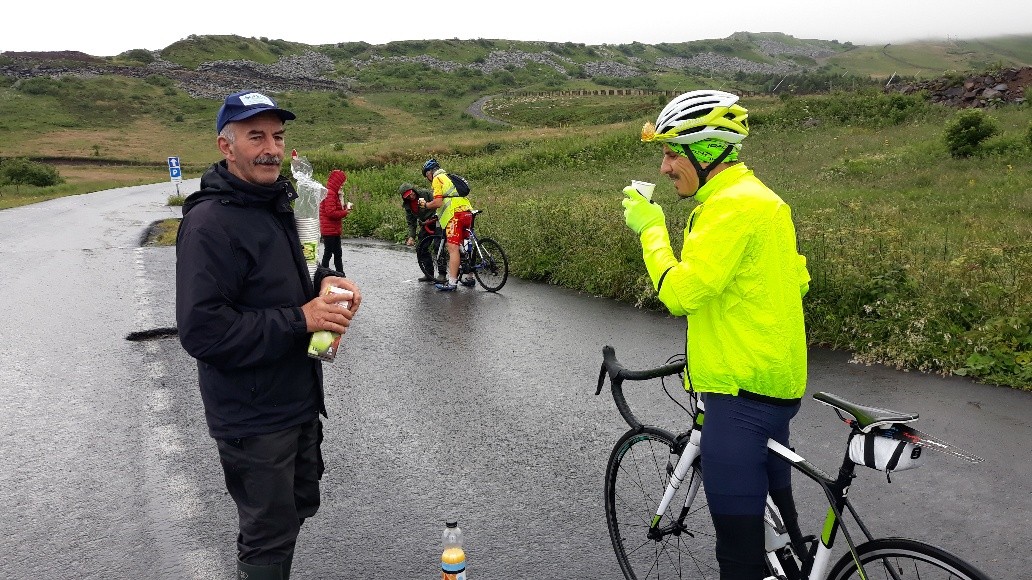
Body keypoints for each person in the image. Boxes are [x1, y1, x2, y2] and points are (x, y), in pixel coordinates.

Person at [621, 89, 811, 580]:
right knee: (786, 539)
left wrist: (651, 229)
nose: (663, 167)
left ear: (706, 152)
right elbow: (794, 282)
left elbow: (681, 294)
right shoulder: (766, 200)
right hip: (776, 383)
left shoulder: (727, 207)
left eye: (670, 152)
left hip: (738, 395)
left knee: (739, 556)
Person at [175, 90, 362, 580]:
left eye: (278, 136)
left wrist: (324, 282)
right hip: (252, 412)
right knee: (267, 533)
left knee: (295, 508)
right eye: (255, 136)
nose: (271, 148)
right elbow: (203, 331)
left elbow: (288, 277)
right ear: (226, 145)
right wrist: (302, 319)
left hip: (294, 395)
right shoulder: (209, 223)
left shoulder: (271, 204)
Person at [418, 158, 476, 291]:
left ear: (429, 173)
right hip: (467, 211)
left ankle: (452, 283)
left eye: (426, 175)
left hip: (454, 216)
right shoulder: (449, 177)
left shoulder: (437, 179)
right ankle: (470, 277)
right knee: (467, 244)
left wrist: (425, 205)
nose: (427, 178)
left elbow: (438, 203)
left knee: (453, 248)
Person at [400, 181, 443, 283]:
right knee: (421, 248)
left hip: (437, 221)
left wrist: (435, 216)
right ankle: (429, 274)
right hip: (425, 225)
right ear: (404, 197)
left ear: (413, 190)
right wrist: (411, 236)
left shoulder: (425, 193)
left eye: (411, 193)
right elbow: (411, 223)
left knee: (438, 246)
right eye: (407, 195)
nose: (411, 196)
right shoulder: (408, 206)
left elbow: (438, 203)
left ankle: (442, 274)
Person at [319, 169, 352, 273]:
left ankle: (340, 274)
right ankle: (324, 273)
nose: (342, 186)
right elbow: (331, 213)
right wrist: (345, 212)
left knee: (337, 253)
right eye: (342, 183)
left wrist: (346, 207)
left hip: (334, 229)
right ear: (337, 182)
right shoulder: (330, 194)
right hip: (329, 230)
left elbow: (336, 209)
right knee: (328, 252)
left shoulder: (334, 193)